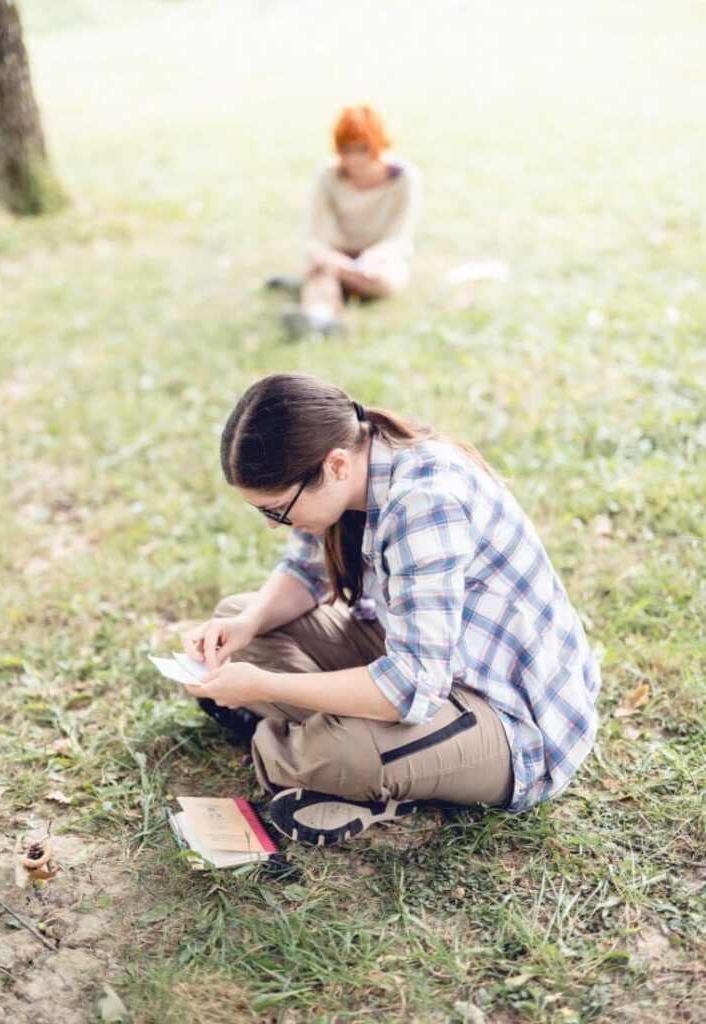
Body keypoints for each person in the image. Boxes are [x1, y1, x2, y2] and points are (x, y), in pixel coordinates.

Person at [182, 374, 601, 846]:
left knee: (337, 751)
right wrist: (244, 625)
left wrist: (266, 686)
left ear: (335, 465)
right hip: (419, 659)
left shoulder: (423, 501)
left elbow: (413, 686)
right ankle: (317, 739)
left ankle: (305, 750)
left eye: (277, 511)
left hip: (507, 717)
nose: (274, 526)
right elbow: (305, 574)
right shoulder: (351, 458)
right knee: (241, 623)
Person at [272, 106, 422, 338]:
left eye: (363, 149)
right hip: (335, 255)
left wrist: (371, 258)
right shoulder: (328, 176)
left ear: (378, 144)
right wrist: (333, 258)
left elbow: (398, 238)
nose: (355, 158)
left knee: (385, 280)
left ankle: (313, 287)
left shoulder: (403, 178)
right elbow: (314, 236)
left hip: (378, 261)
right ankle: (319, 318)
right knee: (322, 270)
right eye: (346, 149)